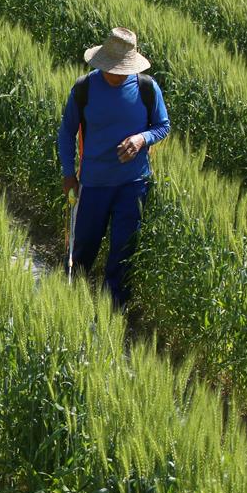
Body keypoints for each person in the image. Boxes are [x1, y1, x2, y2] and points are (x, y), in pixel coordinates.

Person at [57, 27, 170, 308]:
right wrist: (69, 174)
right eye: (114, 68)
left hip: (133, 186)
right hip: (94, 184)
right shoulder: (85, 88)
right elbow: (66, 131)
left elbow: (162, 126)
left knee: (122, 254)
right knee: (82, 251)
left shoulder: (146, 88)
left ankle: (113, 316)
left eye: (123, 69)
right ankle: (69, 308)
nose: (118, 74)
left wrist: (141, 138)